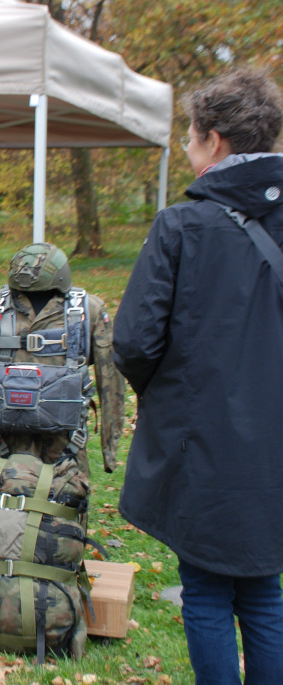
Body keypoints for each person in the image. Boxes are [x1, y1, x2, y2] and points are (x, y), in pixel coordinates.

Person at [112, 68, 283, 685]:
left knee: (209, 589)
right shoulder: (186, 225)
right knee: (264, 588)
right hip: (272, 447)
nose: (186, 151)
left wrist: (171, 396)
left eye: (188, 139)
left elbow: (133, 341)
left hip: (203, 440)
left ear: (214, 141)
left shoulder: (182, 227)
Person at [0, 243, 124, 478]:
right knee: (1, 509)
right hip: (6, 441)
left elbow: (110, 382)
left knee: (63, 506)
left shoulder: (87, 311)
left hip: (65, 444)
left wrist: (109, 448)